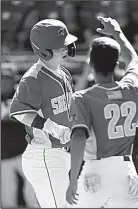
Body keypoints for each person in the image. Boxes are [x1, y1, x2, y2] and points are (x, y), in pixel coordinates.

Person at [65, 16, 138, 208]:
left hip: (96, 171)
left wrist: (73, 178)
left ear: (91, 67)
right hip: (127, 172)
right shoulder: (131, 88)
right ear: (117, 65)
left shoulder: (82, 97)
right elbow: (133, 58)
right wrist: (117, 33)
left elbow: (78, 138)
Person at [9, 19, 77, 208]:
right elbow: (17, 111)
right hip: (44, 155)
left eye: (66, 44)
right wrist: (51, 127)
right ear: (43, 49)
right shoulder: (33, 78)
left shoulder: (63, 73)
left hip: (62, 154)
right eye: (59, 46)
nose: (66, 49)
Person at [1, 69, 39, 208]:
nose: (4, 82)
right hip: (3, 155)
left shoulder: (20, 96)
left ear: (13, 81)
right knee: (7, 195)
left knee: (32, 185)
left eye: (7, 79)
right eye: (2, 79)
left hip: (23, 152)